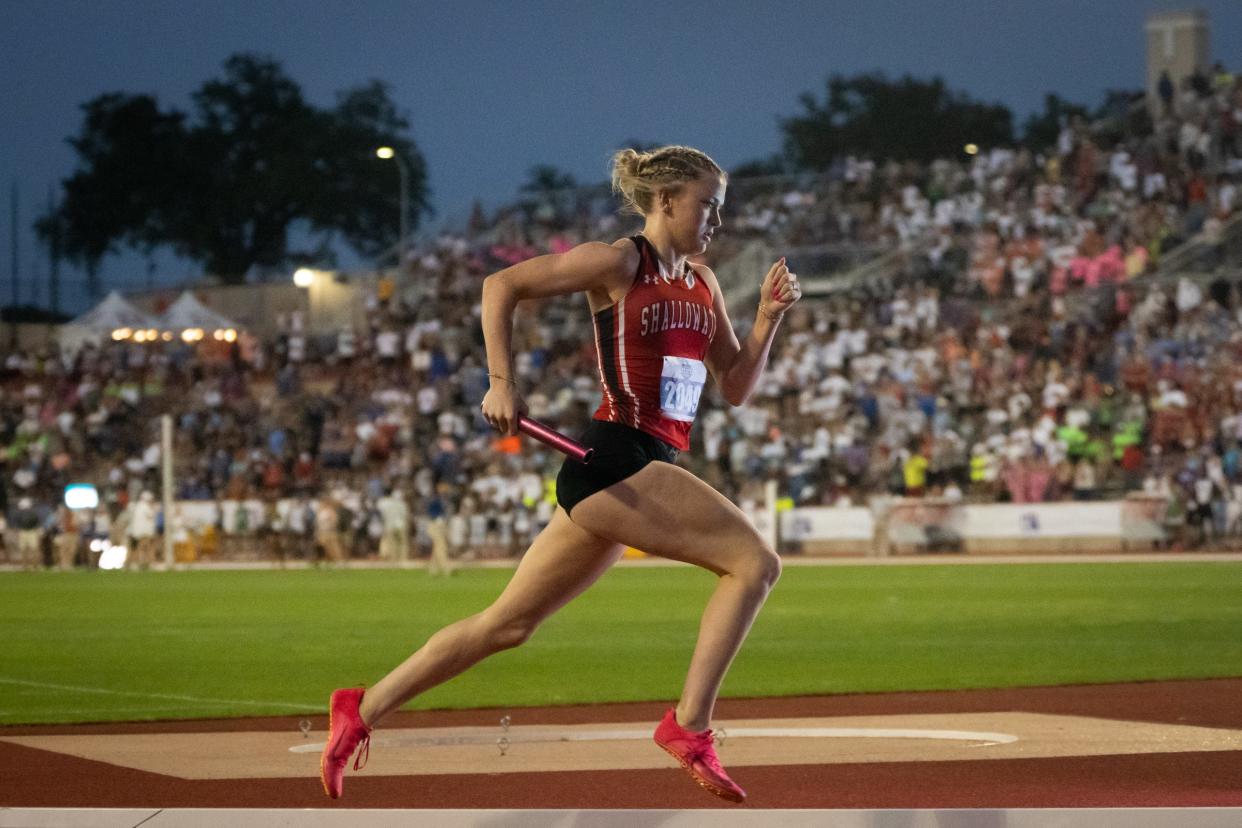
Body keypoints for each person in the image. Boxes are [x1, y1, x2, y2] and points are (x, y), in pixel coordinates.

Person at [320, 145, 801, 803]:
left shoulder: (703, 283)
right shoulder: (618, 261)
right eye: (707, 205)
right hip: (614, 460)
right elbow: (501, 286)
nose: (716, 219)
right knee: (755, 564)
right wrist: (501, 382)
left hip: (644, 466)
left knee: (507, 626)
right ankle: (689, 726)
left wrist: (767, 321)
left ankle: (359, 708)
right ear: (665, 201)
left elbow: (737, 385)